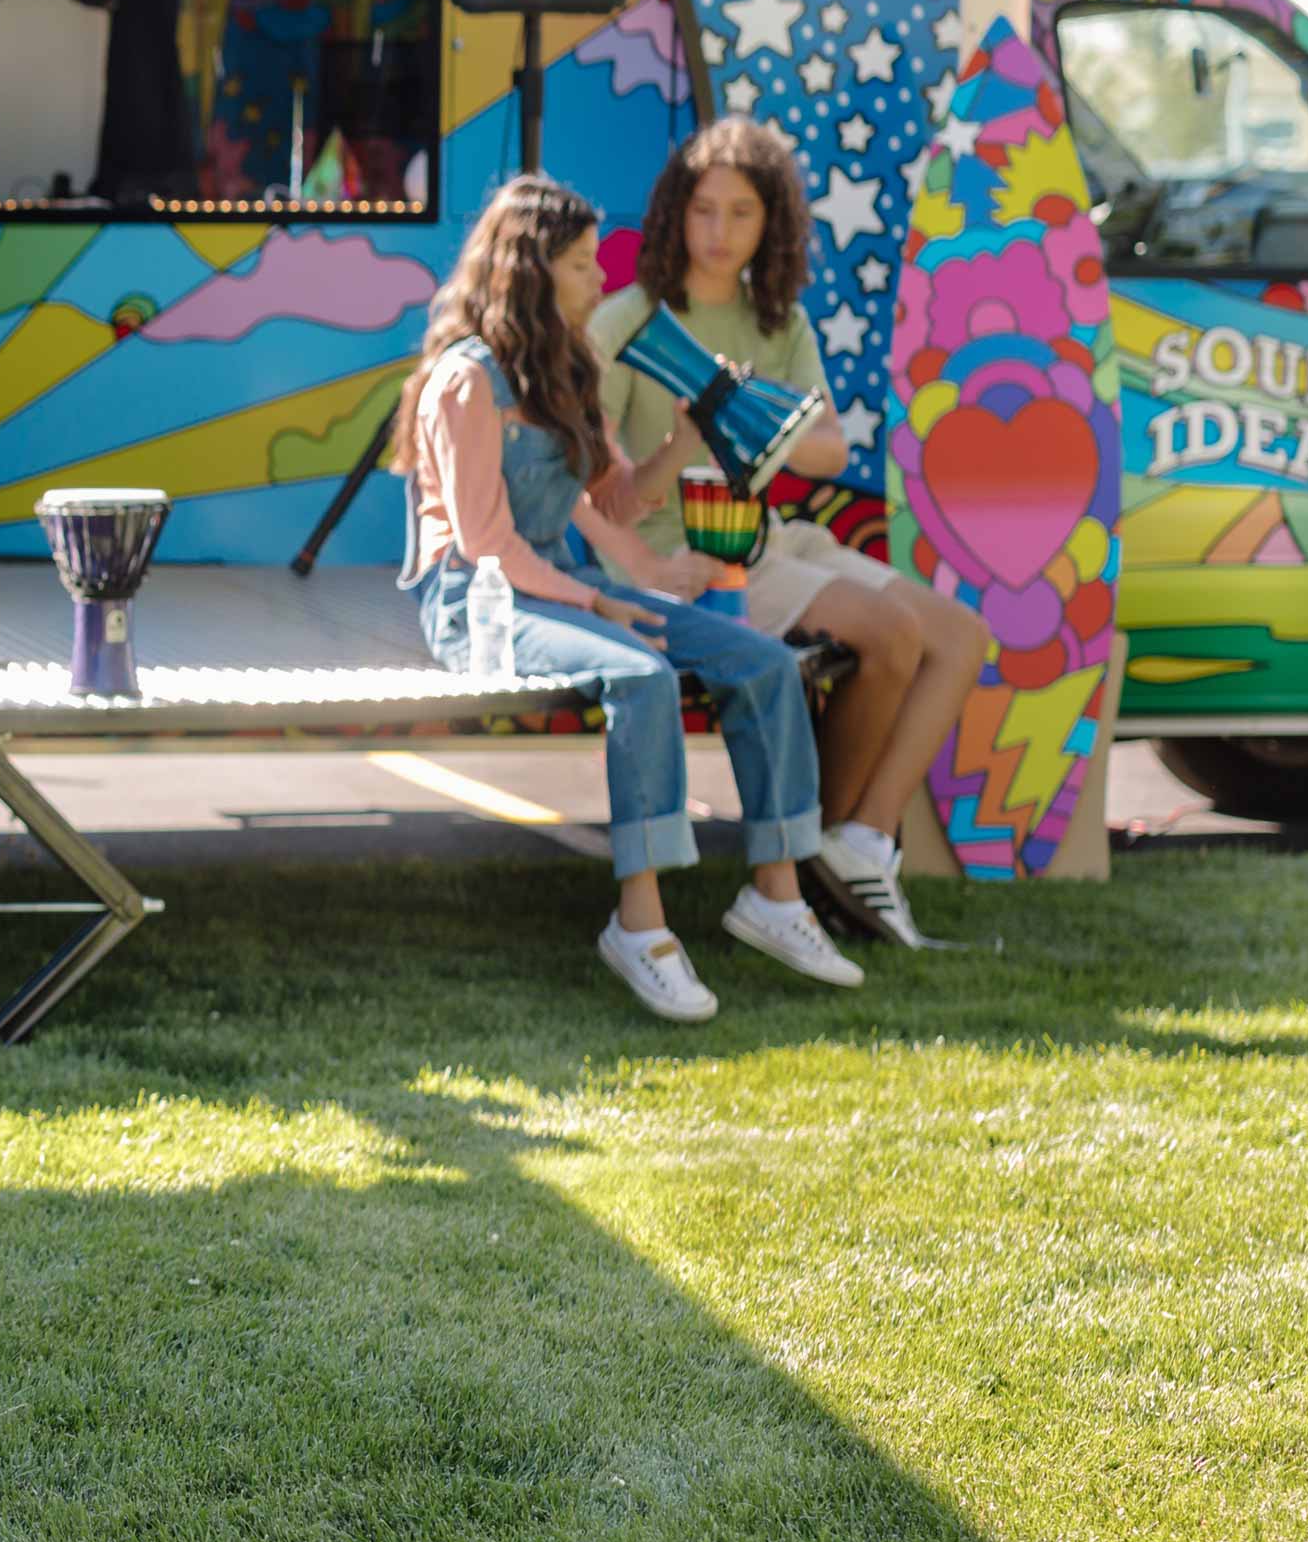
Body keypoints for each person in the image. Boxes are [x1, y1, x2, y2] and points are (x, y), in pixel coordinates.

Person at [395, 174, 863, 1022]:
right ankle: (641, 928)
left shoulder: (569, 366)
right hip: (479, 601)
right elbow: (482, 543)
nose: (600, 280)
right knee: (642, 674)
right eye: (581, 265)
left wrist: (684, 439)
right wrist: (598, 600)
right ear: (532, 272)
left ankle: (777, 894)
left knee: (762, 662)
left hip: (562, 588)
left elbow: (611, 501)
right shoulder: (464, 382)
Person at [591, 121, 992, 946]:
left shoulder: (778, 318)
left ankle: (860, 842)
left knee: (962, 638)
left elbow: (830, 449)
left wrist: (744, 418)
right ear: (675, 215)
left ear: (771, 225)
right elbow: (595, 484)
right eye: (703, 211)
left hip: (773, 534)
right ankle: (812, 856)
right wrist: (640, 555)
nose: (719, 233)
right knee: (890, 632)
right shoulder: (628, 319)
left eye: (742, 214)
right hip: (693, 555)